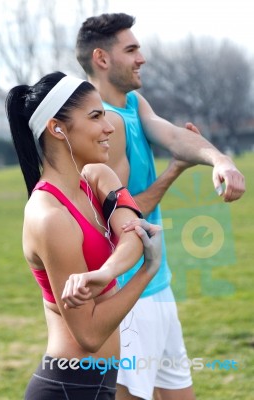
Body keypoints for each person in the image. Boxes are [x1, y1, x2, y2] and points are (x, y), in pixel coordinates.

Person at [72, 12, 246, 400]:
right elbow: (123, 219)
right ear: (102, 58)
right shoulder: (107, 126)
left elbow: (170, 134)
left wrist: (221, 160)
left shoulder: (132, 102)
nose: (142, 58)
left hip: (156, 283)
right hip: (128, 293)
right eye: (131, 49)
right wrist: (174, 173)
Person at [5, 71, 164, 400]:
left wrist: (105, 272)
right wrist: (145, 272)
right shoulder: (50, 218)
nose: (109, 128)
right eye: (95, 117)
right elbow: (88, 334)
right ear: (57, 128)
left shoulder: (97, 177)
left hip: (98, 384)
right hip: (69, 387)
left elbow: (132, 233)